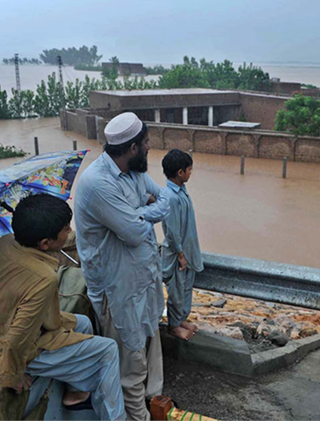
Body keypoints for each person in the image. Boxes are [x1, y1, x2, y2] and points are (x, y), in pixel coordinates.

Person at [0, 194, 126, 421]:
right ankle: (116, 417)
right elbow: (18, 338)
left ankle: (75, 392)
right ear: (45, 243)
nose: (69, 231)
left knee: (82, 322)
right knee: (108, 350)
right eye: (65, 229)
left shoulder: (3, 243)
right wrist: (11, 376)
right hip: (5, 349)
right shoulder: (43, 278)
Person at [74, 112, 170, 420]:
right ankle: (136, 416)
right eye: (146, 144)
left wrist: (138, 211)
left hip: (143, 276)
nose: (149, 149)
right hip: (118, 288)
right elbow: (131, 234)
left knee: (149, 340)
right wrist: (144, 214)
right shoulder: (98, 183)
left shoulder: (134, 172)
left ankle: (154, 400)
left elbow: (165, 198)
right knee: (129, 359)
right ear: (132, 148)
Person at [160, 149, 204, 341]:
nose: (190, 173)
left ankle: (181, 319)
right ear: (180, 172)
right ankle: (173, 326)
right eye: (189, 170)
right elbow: (172, 231)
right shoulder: (170, 197)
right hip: (178, 255)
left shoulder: (181, 192)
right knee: (177, 290)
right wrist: (180, 254)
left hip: (187, 251)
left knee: (186, 288)